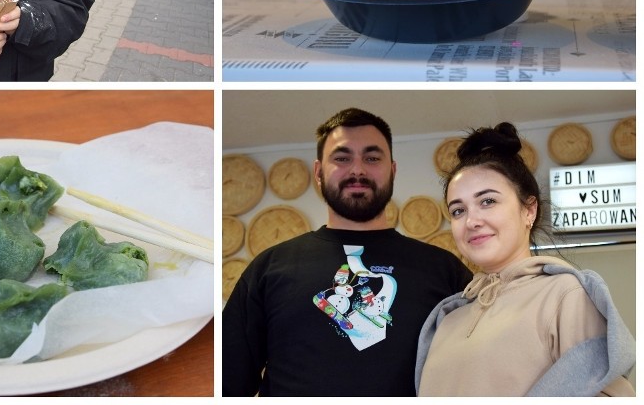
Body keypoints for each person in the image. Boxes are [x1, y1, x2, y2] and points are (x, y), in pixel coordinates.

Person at [223, 108, 473, 396]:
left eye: (372, 157)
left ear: (391, 171)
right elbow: (228, 384)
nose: (358, 170)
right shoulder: (269, 267)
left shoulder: (442, 269)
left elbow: (478, 372)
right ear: (319, 173)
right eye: (342, 158)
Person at [415, 122, 636, 396]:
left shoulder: (566, 295)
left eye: (488, 202)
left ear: (529, 210)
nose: (471, 221)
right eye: (458, 210)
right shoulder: (446, 319)